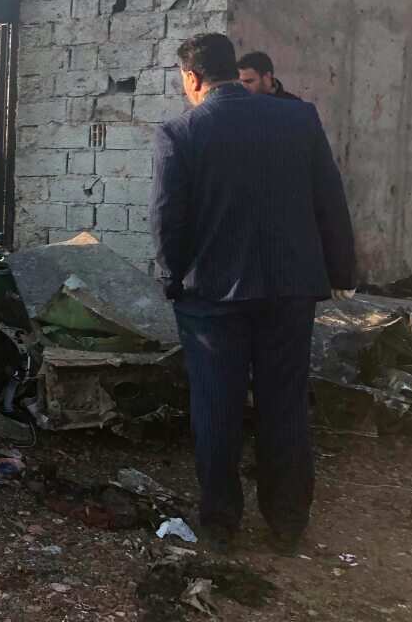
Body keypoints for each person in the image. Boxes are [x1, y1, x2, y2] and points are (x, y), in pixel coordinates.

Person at [150, 33, 356, 555]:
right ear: (232, 69)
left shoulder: (182, 131)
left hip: (212, 297)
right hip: (291, 289)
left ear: (193, 78)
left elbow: (167, 220)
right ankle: (288, 523)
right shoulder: (298, 119)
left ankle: (221, 524)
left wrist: (171, 280)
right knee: (283, 404)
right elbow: (329, 199)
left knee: (217, 407)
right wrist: (339, 271)